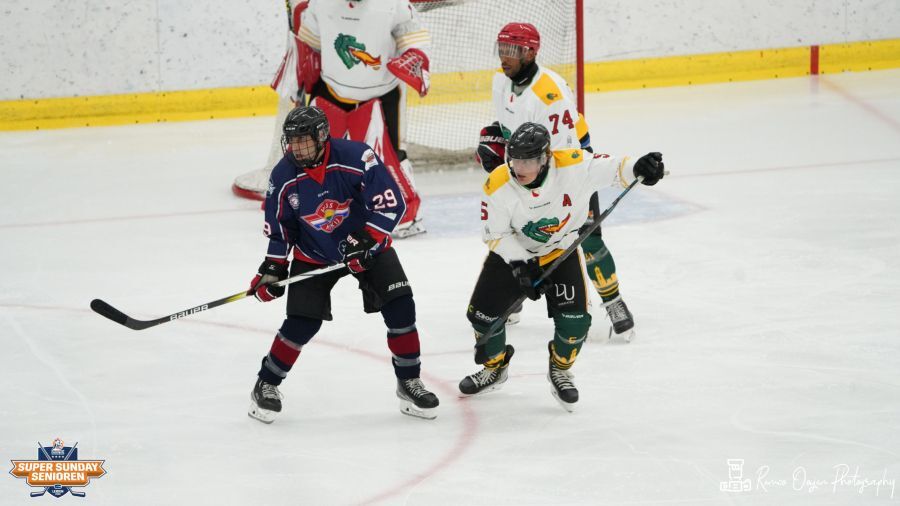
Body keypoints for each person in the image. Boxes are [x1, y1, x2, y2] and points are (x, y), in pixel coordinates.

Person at [247, 105, 439, 423]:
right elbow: (281, 228)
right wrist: (272, 268)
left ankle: (409, 382)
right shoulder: (283, 175)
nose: (297, 148)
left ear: (322, 136)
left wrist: (365, 240)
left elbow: (391, 203)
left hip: (367, 247)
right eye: (292, 141)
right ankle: (266, 384)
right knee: (302, 323)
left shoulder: (357, 157)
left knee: (400, 306)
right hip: (314, 254)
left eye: (304, 141)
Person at [461, 122, 665, 411]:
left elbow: (616, 168)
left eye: (528, 161)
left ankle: (560, 369)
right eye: (515, 160)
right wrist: (521, 265)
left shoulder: (574, 166)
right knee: (482, 318)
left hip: (559, 252)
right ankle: (495, 368)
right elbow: (495, 234)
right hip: (513, 256)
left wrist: (639, 167)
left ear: (545, 159)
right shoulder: (498, 183)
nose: (519, 168)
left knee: (575, 322)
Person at [475, 22, 635, 340]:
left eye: (512, 50)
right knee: (513, 234)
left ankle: (613, 301)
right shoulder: (500, 82)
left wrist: (542, 194)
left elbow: (564, 159)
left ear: (530, 52)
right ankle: (512, 296)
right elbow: (510, 130)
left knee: (585, 237)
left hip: (569, 166)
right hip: (528, 167)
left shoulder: (550, 94)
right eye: (501, 49)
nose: (504, 57)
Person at [296, 0, 432, 238]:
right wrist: (303, 71)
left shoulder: (393, 3)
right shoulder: (321, 2)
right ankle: (305, 207)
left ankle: (405, 214)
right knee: (314, 154)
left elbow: (413, 36)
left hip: (381, 94)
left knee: (389, 157)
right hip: (331, 89)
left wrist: (415, 56)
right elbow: (311, 42)